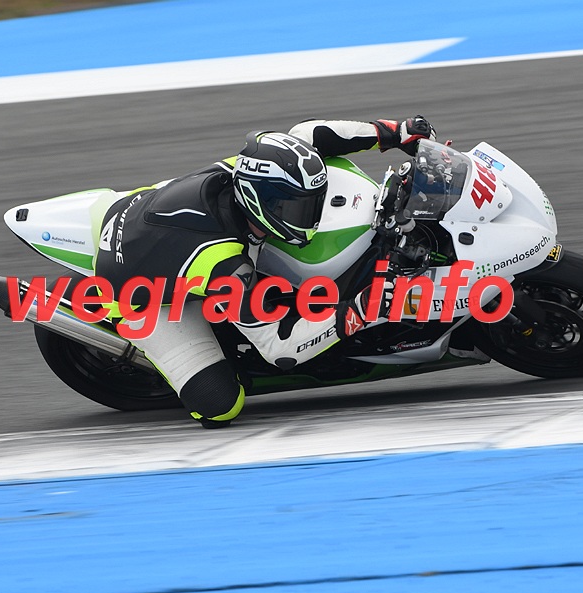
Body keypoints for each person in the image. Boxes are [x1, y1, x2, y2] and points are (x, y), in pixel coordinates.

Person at [94, 116, 436, 428]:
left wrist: (394, 133)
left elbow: (310, 134)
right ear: (258, 202)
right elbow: (280, 349)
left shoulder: (254, 169)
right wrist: (360, 310)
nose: (310, 217)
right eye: (296, 208)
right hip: (143, 297)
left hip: (144, 215)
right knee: (220, 406)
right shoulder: (225, 265)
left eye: (312, 202)